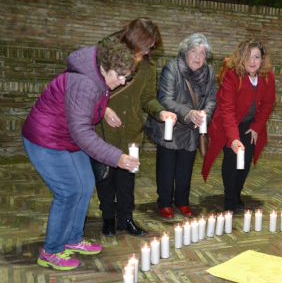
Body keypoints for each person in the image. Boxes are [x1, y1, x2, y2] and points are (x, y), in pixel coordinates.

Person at [22, 37, 138, 270]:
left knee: (85, 184)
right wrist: (118, 157)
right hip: (46, 138)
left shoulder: (99, 77)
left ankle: (73, 238)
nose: (123, 81)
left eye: (127, 77)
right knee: (69, 191)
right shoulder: (86, 83)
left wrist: (104, 110)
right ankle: (52, 250)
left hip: (66, 137)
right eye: (119, 75)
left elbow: (83, 113)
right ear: (105, 66)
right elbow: (83, 132)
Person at [96, 18, 177, 236]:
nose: (150, 50)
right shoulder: (106, 54)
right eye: (148, 45)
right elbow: (89, 87)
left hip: (131, 132)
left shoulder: (148, 67)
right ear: (135, 39)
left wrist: (161, 112)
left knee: (127, 180)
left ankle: (126, 219)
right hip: (103, 130)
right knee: (105, 177)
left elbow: (147, 98)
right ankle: (108, 218)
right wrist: (102, 108)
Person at [145, 33, 216, 219]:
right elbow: (165, 99)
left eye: (202, 53)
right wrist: (188, 113)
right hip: (171, 126)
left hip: (192, 130)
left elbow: (211, 99)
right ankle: (165, 203)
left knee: (185, 169)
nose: (198, 57)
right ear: (185, 52)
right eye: (194, 51)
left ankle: (182, 202)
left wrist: (204, 116)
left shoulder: (209, 71)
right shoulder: (172, 68)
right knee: (166, 169)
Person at [201, 39, 276, 212]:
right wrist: (233, 139)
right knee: (231, 160)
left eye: (257, 57)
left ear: (262, 59)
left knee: (245, 160)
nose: (252, 61)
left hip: (250, 125)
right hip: (229, 124)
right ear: (241, 57)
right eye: (248, 56)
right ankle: (229, 197)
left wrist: (257, 127)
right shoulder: (232, 74)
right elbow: (227, 109)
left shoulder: (267, 76)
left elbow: (268, 104)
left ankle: (237, 193)